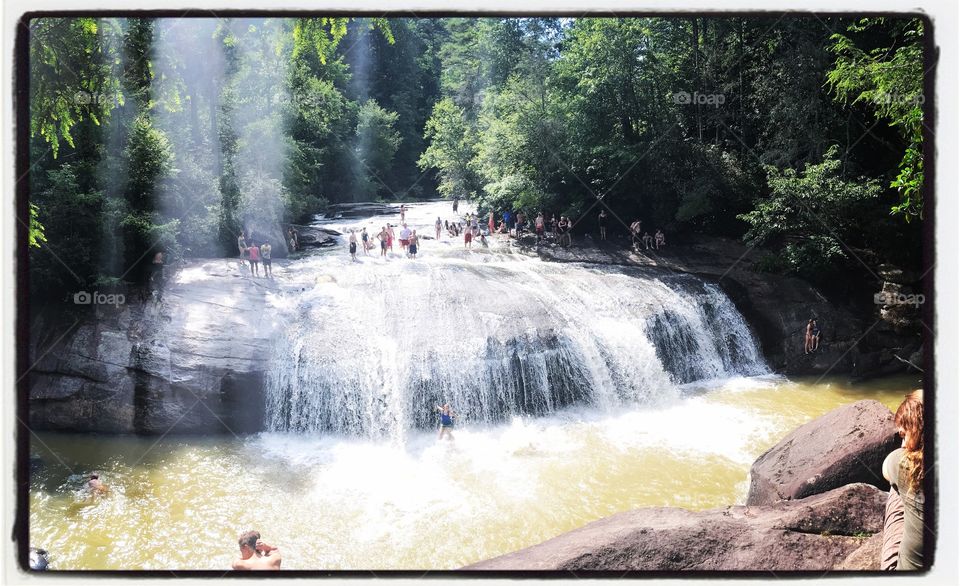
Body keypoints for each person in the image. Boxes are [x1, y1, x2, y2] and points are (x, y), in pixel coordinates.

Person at [881, 390, 926, 571]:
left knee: (897, 490)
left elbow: (885, 469)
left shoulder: (903, 463)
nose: (902, 443)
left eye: (903, 435)